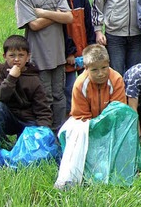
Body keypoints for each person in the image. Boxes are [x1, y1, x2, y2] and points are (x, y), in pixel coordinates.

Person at [55, 44, 136, 189]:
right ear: (85, 68)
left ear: (108, 64)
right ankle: (71, 177)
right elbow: (81, 116)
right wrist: (95, 131)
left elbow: (118, 111)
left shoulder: (116, 79)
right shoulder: (80, 84)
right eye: (94, 70)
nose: (101, 73)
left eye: (104, 68)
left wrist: (105, 128)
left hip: (111, 124)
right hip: (88, 125)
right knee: (76, 131)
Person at [15, 0, 72, 131]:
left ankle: (60, 131)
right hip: (39, 57)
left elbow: (69, 17)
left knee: (59, 95)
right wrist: (57, 14)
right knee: (44, 96)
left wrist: (44, 13)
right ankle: (46, 132)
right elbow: (34, 25)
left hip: (58, 55)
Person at [0, 35, 52, 146]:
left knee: (30, 145)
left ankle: (21, 142)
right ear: (4, 56)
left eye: (21, 55)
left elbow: (42, 109)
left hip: (28, 121)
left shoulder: (34, 77)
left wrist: (43, 132)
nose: (16, 59)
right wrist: (11, 78)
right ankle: (2, 144)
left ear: (28, 57)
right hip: (8, 116)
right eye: (12, 55)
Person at [53, 0, 96, 115]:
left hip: (84, 47)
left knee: (88, 83)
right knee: (70, 87)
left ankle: (88, 115)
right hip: (67, 52)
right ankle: (70, 118)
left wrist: (91, 46)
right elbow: (60, 28)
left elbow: (88, 20)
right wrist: (69, 52)